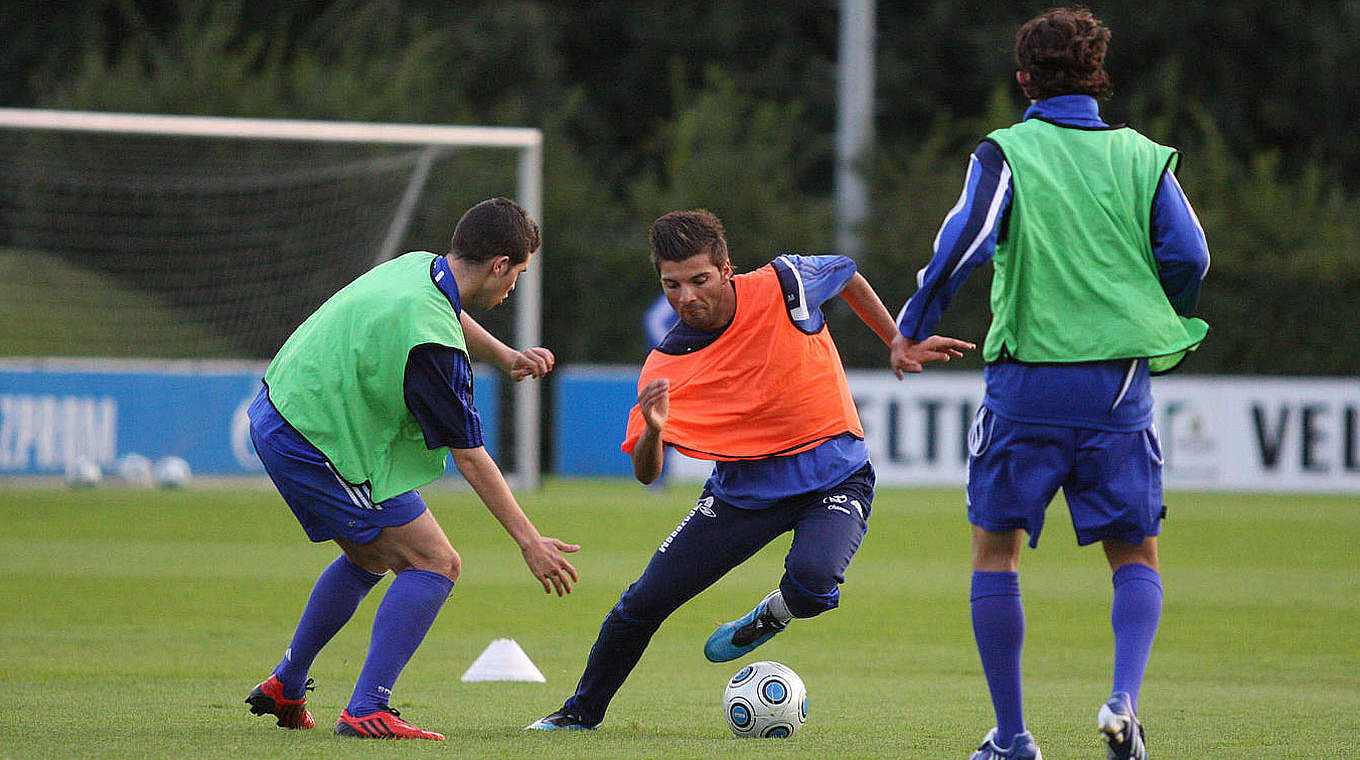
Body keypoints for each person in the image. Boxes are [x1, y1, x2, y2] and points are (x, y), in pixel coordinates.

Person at [890, 10, 1210, 760]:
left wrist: (910, 326)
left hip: (1027, 385)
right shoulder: (1143, 156)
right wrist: (1156, 309)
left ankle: (1012, 737)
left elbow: (963, 244)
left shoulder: (1007, 151)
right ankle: (1123, 702)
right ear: (1100, 74)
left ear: (1024, 79)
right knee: (1135, 555)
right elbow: (1191, 256)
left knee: (996, 554)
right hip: (1117, 388)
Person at [527, 209, 972, 731]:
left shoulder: (785, 283)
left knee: (813, 585)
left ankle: (770, 617)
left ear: (726, 269)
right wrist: (653, 429)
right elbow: (647, 473)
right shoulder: (666, 363)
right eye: (671, 285)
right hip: (741, 495)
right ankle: (578, 715)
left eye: (700, 280)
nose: (686, 296)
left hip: (835, 476)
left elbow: (847, 272)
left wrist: (896, 338)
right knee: (642, 603)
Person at [243, 197, 580, 741]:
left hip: (288, 409)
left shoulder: (421, 267)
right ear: (499, 265)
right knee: (434, 563)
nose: (514, 286)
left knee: (371, 556)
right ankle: (366, 708)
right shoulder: (433, 347)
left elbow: (453, 313)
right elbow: (471, 457)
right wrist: (529, 541)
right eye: (517, 273)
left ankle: (288, 682)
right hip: (312, 440)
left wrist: (506, 356)